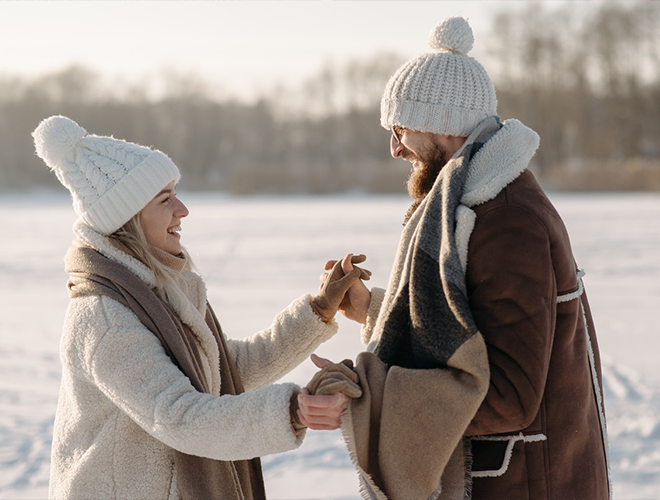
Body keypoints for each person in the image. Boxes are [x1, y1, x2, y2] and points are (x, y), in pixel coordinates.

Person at [314, 17, 610, 500]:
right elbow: (474, 323)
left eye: (400, 128)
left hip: (522, 485)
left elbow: (510, 395)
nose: (394, 148)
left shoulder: (508, 221)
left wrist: (374, 396)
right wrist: (375, 311)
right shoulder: (474, 206)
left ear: (442, 125)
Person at [33, 115, 365, 500]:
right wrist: (292, 410)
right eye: (165, 199)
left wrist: (318, 311)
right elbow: (180, 415)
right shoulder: (105, 316)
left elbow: (223, 369)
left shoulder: (156, 290)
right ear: (128, 220)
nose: (183, 209)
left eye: (176, 192)